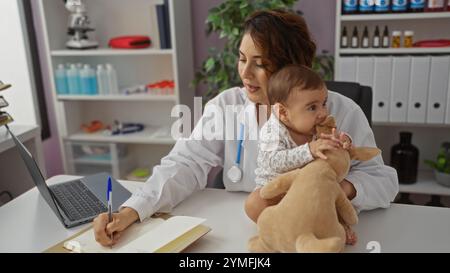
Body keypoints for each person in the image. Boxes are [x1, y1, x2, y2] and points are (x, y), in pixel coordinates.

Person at [93, 9, 399, 247]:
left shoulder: (342, 110)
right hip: (244, 233)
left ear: (292, 68)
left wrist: (332, 190)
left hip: (317, 230)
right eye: (242, 59)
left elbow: (383, 181)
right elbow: (185, 164)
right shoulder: (227, 106)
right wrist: (132, 210)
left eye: (260, 64)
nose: (245, 73)